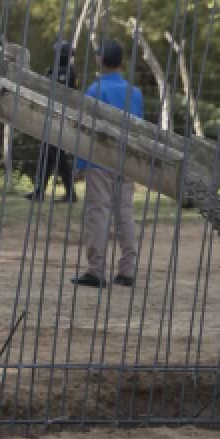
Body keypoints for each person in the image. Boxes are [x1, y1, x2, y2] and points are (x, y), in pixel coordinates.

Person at [71, 40, 145, 289]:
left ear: (100, 60)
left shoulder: (94, 90)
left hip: (100, 159)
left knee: (98, 212)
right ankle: (127, 269)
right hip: (127, 161)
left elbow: (86, 129)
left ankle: (96, 270)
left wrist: (80, 163)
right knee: (124, 212)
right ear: (121, 62)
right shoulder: (135, 93)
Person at [26, 40, 78, 202]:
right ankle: (40, 190)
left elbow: (60, 90)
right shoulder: (52, 69)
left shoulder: (68, 71)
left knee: (57, 156)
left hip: (60, 117)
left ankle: (70, 193)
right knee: (46, 155)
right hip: (48, 115)